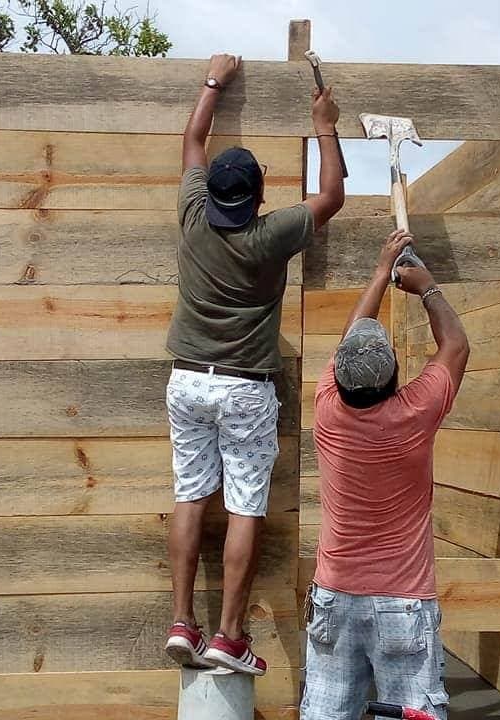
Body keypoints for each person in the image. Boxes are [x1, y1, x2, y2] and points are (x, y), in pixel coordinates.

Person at [164, 53, 346, 676]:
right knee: (244, 504)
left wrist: (215, 80)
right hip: (244, 388)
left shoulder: (192, 215)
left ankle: (182, 621)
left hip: (186, 379)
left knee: (190, 497)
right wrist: (325, 124)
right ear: (259, 196)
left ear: (212, 193)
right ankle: (229, 636)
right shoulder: (270, 236)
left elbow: (192, 137)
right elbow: (331, 196)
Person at [300, 229, 470, 720]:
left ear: (341, 376)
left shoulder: (328, 408)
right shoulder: (414, 412)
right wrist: (427, 288)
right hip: (402, 602)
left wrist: (379, 271)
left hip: (335, 597)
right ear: (396, 376)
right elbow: (455, 345)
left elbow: (350, 341)